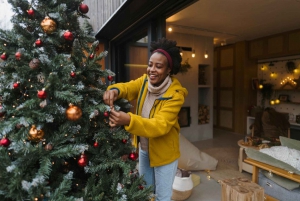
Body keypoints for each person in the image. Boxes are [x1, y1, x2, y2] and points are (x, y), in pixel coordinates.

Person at [103, 38, 188, 201]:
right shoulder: (144, 82)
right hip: (144, 149)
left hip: (165, 154)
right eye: (150, 65)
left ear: (169, 69)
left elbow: (159, 126)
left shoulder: (175, 95)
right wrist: (114, 90)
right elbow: (127, 87)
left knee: (162, 197)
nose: (152, 70)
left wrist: (129, 120)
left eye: (159, 66)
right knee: (145, 193)